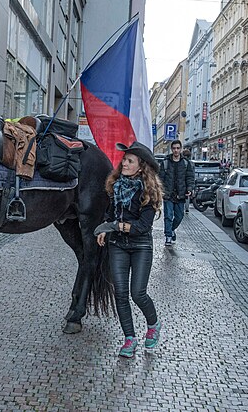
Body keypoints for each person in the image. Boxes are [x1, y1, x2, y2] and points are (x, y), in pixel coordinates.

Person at [94, 141, 164, 358]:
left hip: (141, 246)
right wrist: (107, 227)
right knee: (121, 294)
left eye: (129, 160)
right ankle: (129, 339)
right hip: (117, 246)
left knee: (138, 293)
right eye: (124, 159)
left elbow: (142, 227)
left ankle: (153, 325)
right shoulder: (115, 185)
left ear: (141, 166)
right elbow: (110, 213)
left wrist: (114, 226)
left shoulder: (149, 192)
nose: (124, 163)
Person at [158, 140, 195, 246]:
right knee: (168, 216)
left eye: (178, 148)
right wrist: (160, 190)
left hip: (181, 194)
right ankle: (168, 236)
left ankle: (172, 229)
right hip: (168, 194)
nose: (176, 150)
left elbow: (190, 177)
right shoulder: (165, 162)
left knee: (179, 216)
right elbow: (160, 178)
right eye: (174, 148)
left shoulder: (185, 163)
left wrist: (190, 188)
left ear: (181, 149)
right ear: (171, 149)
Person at [182, 148, 193, 214]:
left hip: (182, 182)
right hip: (187, 183)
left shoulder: (182, 162)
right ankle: (187, 208)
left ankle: (184, 208)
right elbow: (192, 175)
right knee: (187, 196)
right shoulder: (191, 163)